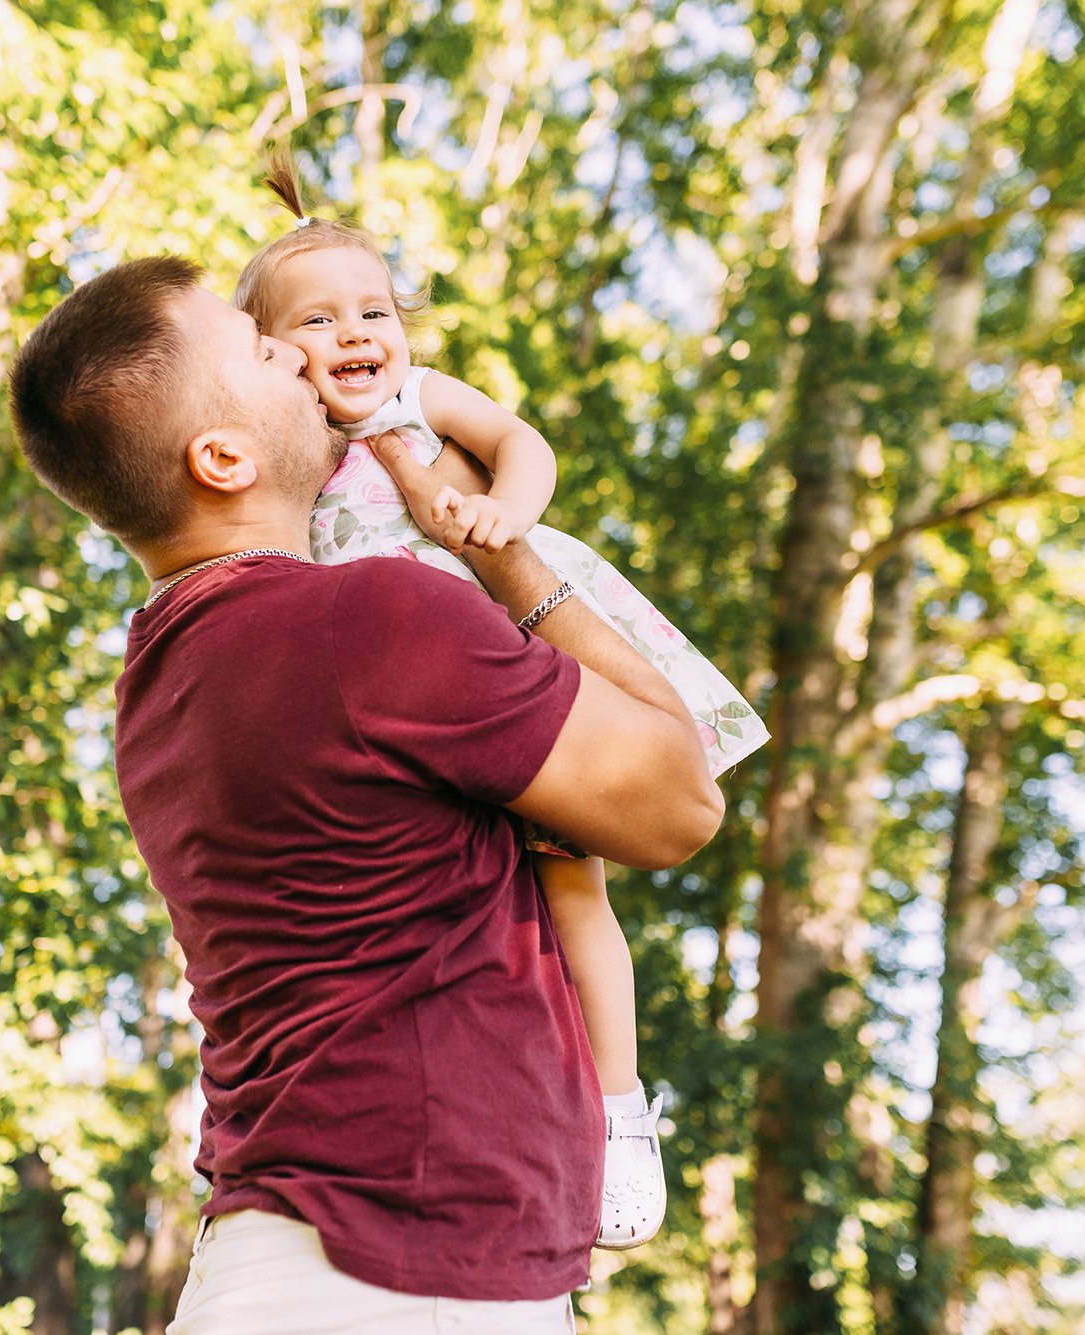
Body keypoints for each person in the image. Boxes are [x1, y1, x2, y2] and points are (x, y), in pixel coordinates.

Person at [8, 254, 724, 1333]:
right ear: (221, 456)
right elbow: (677, 801)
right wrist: (497, 549)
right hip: (407, 1274)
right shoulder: (369, 619)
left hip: (297, 1258)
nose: (302, 354)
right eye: (262, 349)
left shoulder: (157, 679)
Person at [233, 162, 767, 1248]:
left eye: (373, 310)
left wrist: (498, 512)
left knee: (573, 887)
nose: (355, 334)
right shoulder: (298, 445)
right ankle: (498, 1116)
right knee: (460, 905)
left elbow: (526, 443)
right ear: (272, 354)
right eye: (318, 321)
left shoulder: (416, 398)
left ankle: (619, 1109)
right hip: (409, 706)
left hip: (511, 648)